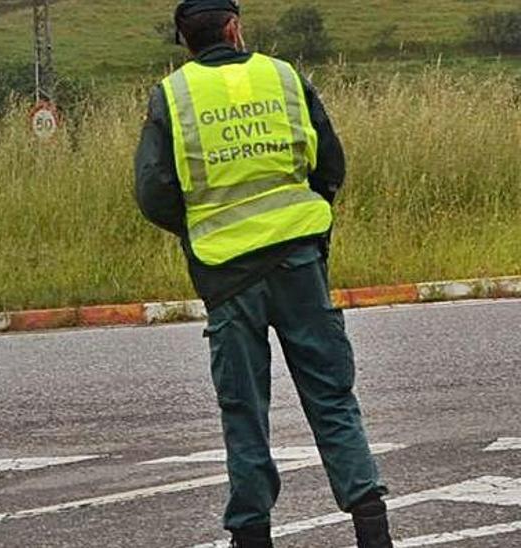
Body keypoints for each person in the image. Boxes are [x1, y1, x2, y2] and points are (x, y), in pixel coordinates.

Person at [134, 1, 393, 546]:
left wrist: (200, 226)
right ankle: (372, 526)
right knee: (332, 397)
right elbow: (331, 166)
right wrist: (306, 225)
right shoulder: (283, 76)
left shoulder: (172, 96)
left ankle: (252, 534)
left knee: (244, 411)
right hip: (300, 264)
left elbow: (153, 193)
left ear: (184, 40)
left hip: (228, 274)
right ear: (234, 27)